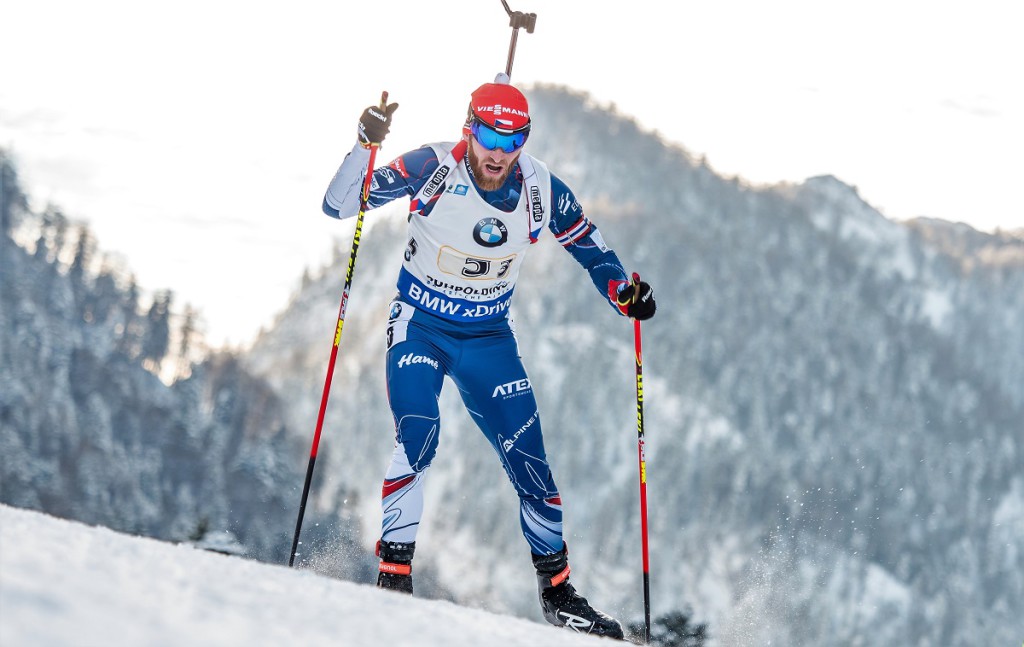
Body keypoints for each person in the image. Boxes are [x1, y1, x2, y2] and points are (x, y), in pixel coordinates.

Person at [322, 74, 656, 639]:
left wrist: (623, 292)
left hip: (487, 339)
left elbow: (588, 243)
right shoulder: (431, 167)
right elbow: (339, 205)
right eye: (489, 137)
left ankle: (558, 593)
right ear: (468, 130)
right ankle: (394, 576)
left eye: (513, 140)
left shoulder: (540, 189)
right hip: (419, 326)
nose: (499, 153)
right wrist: (364, 143)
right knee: (419, 435)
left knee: (531, 462)